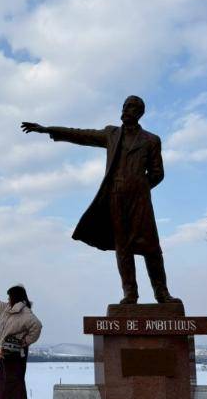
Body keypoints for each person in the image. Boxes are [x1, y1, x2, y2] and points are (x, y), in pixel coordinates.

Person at [21, 95, 180, 304]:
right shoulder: (112, 134)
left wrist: (139, 187)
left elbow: (158, 173)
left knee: (151, 247)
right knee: (123, 247)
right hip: (115, 198)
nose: (126, 109)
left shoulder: (151, 140)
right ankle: (130, 294)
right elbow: (81, 135)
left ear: (140, 113)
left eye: (131, 107)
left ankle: (162, 293)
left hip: (139, 200)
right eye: (124, 106)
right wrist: (48, 129)